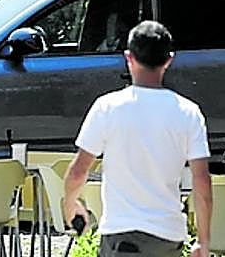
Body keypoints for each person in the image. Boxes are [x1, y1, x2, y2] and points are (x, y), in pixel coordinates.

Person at [64, 21, 212, 257]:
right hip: (168, 235)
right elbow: (202, 180)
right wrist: (203, 241)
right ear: (169, 60)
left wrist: (71, 203)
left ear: (128, 57)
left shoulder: (107, 107)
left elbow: (78, 172)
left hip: (122, 233)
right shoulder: (188, 112)